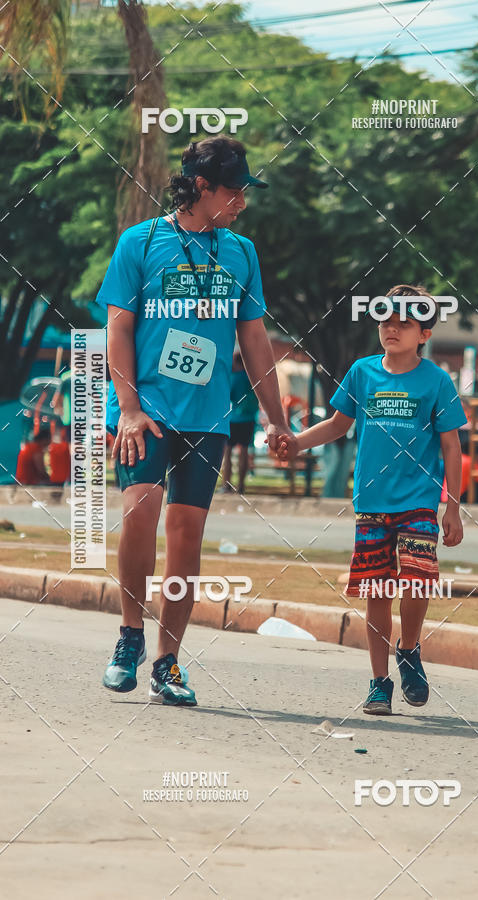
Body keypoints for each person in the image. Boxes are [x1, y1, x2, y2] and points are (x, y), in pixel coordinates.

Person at [96, 136, 296, 706]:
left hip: (208, 420)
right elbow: (119, 328)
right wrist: (129, 409)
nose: (243, 202)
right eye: (234, 191)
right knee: (140, 514)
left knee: (186, 538)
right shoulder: (142, 241)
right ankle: (129, 636)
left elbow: (253, 338)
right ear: (201, 188)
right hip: (147, 413)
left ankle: (168, 663)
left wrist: (276, 419)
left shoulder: (242, 253)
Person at [276, 285, 466, 715]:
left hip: (419, 503)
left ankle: (410, 649)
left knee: (417, 581)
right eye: (386, 321)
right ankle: (379, 682)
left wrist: (452, 506)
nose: (393, 328)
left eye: (405, 323)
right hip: (372, 504)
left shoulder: (436, 380)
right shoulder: (362, 372)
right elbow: (337, 426)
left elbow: (452, 447)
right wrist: (296, 442)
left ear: (424, 334)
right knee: (378, 590)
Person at [221, 351, 259, 493]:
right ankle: (241, 486)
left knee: (228, 452)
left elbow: (227, 396)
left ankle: (226, 485)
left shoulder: (235, 378)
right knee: (244, 451)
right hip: (249, 418)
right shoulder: (252, 378)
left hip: (234, 418)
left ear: (237, 363)